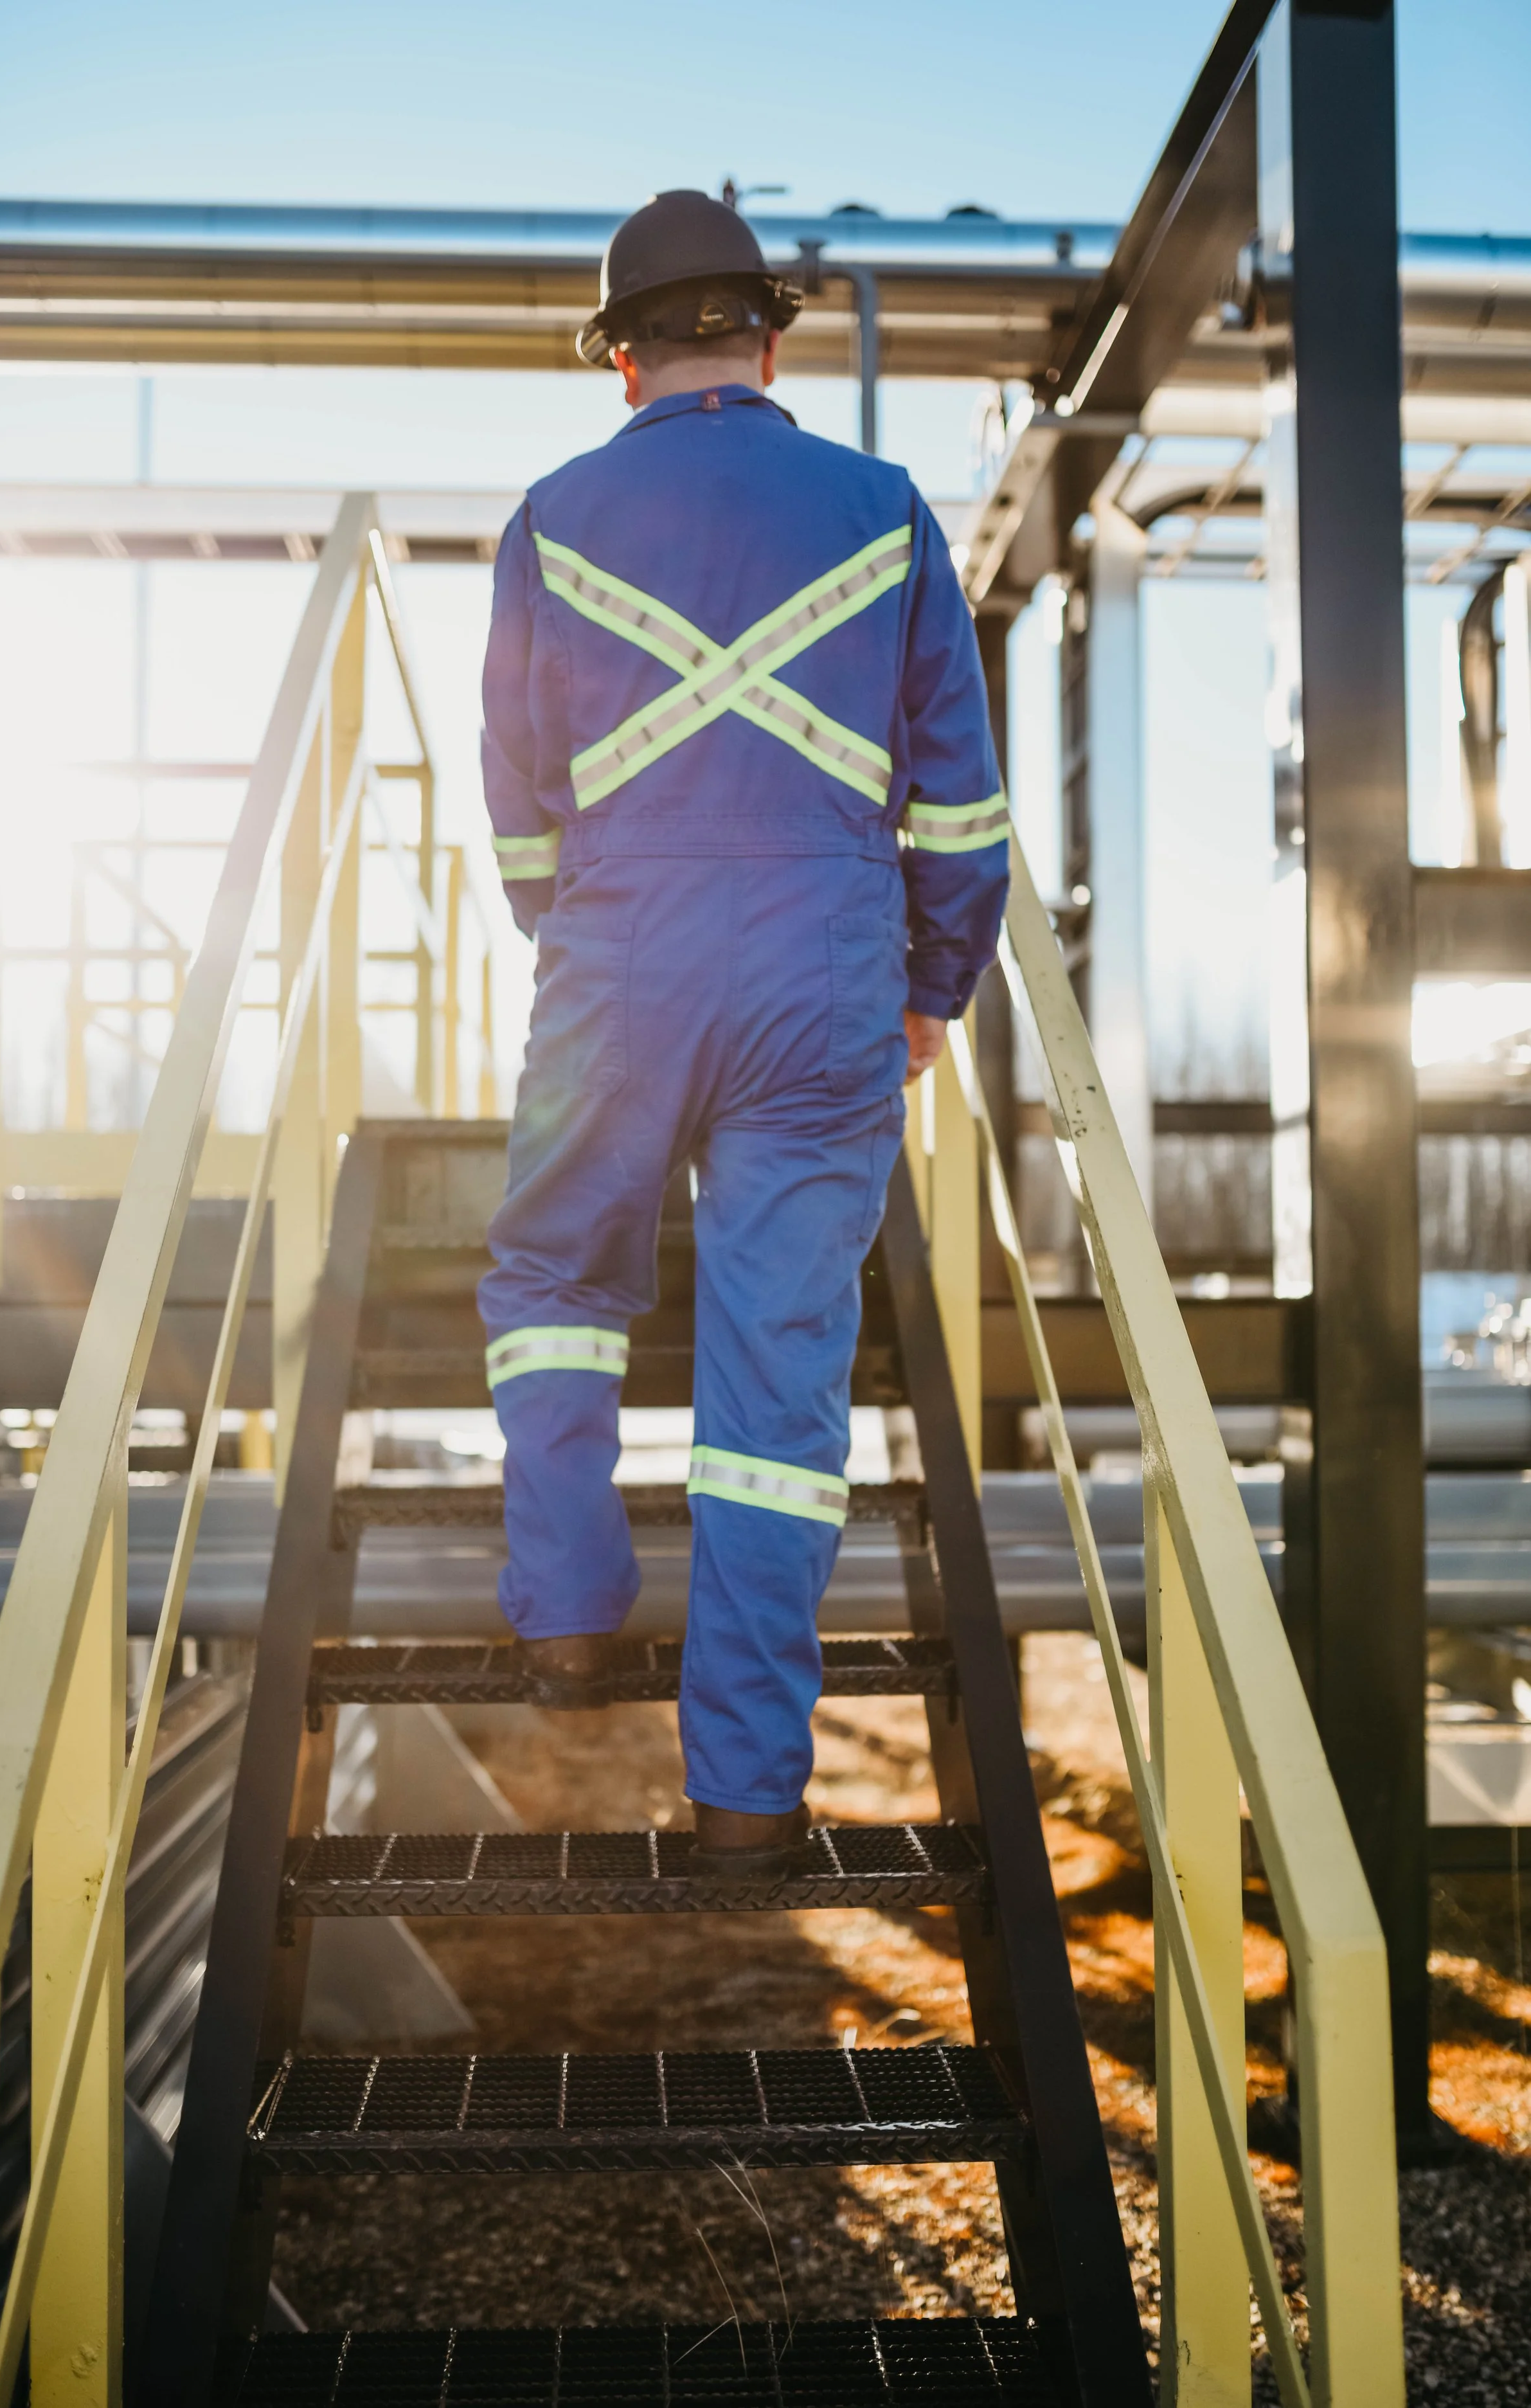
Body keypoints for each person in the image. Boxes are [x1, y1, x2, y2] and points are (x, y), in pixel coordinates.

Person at [478, 189, 1008, 1872]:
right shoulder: (879, 509)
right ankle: (748, 1800)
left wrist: (573, 946)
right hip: (826, 971)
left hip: (619, 955)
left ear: (620, 359)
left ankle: (564, 1619)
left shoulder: (552, 518)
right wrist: (931, 987)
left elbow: (514, 801)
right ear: (767, 343)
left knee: (558, 1284)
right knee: (776, 1371)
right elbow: (962, 807)